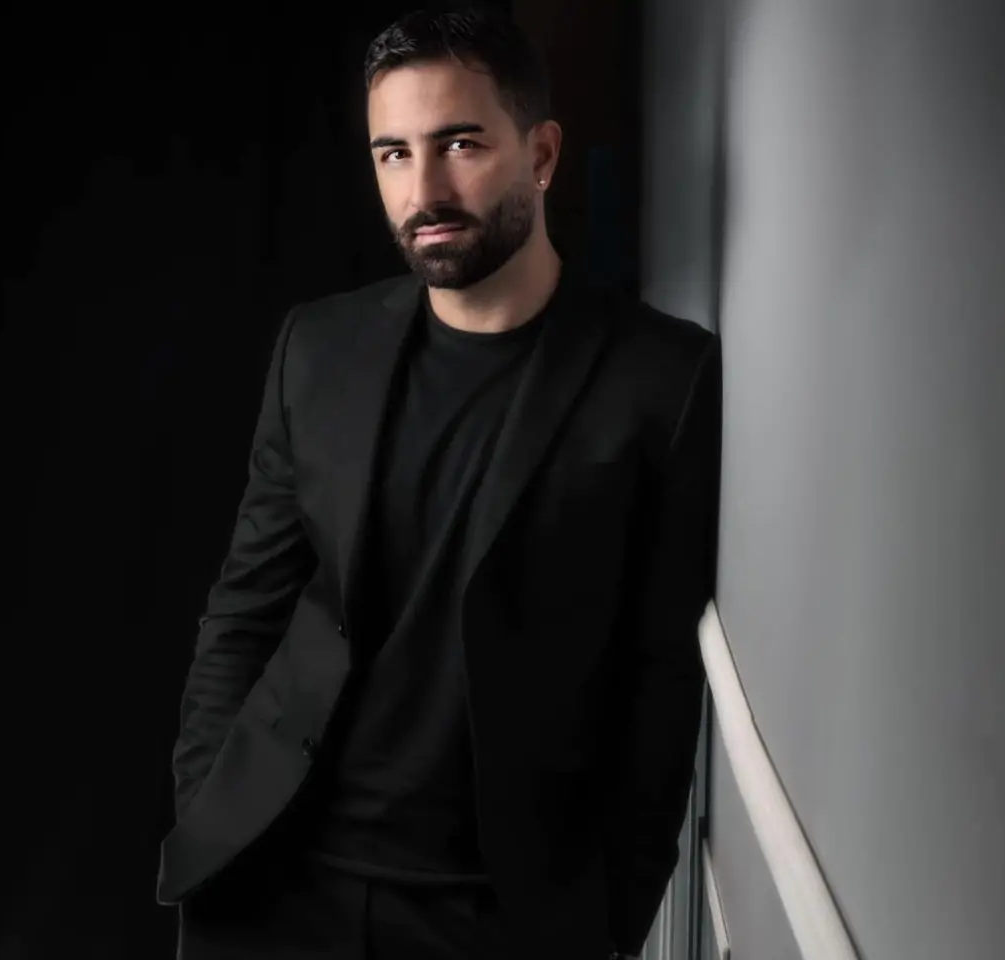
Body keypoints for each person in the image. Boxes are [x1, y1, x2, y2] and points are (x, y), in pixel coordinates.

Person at [155, 7, 721, 958]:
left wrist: (609, 920)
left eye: (460, 144)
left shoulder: (661, 380)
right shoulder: (320, 348)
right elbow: (245, 608)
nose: (424, 191)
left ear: (541, 154)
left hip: (494, 916)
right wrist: (209, 799)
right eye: (394, 154)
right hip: (274, 884)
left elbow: (659, 685)